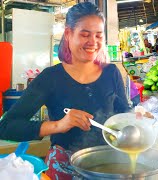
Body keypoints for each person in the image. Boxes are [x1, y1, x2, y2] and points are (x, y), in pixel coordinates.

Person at [0, 2, 130, 179]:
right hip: (65, 168)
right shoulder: (51, 77)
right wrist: (59, 125)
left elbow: (123, 113)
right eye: (85, 34)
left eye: (99, 36)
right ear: (68, 34)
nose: (93, 42)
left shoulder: (111, 72)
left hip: (107, 165)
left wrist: (137, 117)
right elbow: (7, 126)